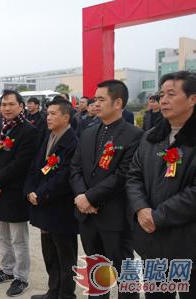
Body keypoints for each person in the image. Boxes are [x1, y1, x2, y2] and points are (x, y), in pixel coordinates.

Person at [69, 80, 143, 299]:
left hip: (114, 217)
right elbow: (75, 168)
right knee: (96, 272)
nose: (96, 103)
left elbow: (123, 175)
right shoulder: (89, 132)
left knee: (124, 274)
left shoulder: (134, 135)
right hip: (87, 217)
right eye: (95, 99)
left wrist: (90, 197)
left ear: (118, 102)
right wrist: (82, 197)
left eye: (101, 99)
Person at [126, 71, 196, 299]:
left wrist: (158, 216)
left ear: (192, 99)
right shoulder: (151, 138)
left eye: (171, 94)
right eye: (161, 94)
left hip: (188, 243)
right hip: (152, 242)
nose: (163, 100)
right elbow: (133, 176)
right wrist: (141, 209)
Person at [0, 89, 38, 297]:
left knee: (18, 239)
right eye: (3, 104)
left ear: (21, 106)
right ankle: (7, 270)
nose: (6, 108)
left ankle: (21, 277)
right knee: (1, 236)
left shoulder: (28, 131)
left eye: (11, 104)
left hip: (14, 192)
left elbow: (21, 163)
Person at [24, 97, 78, 299]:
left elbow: (64, 176)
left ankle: (66, 294)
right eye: (47, 113)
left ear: (66, 117)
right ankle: (52, 291)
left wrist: (40, 193)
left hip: (60, 208)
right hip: (43, 205)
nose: (48, 117)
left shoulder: (72, 142)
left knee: (65, 255)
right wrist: (30, 190)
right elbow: (35, 166)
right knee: (49, 253)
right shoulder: (48, 136)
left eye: (53, 114)